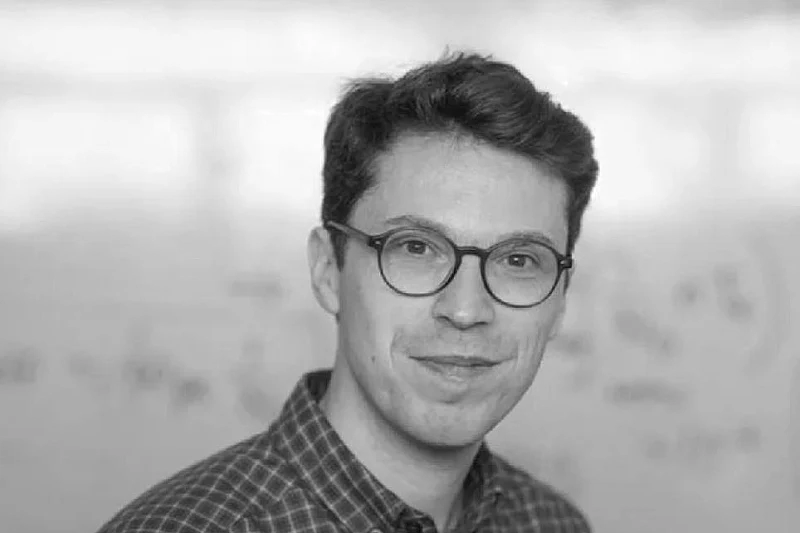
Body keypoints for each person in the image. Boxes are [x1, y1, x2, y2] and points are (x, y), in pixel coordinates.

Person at [97, 51, 599, 533]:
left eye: (518, 260)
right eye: (416, 248)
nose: (466, 310)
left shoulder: (551, 523)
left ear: (560, 299)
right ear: (327, 270)